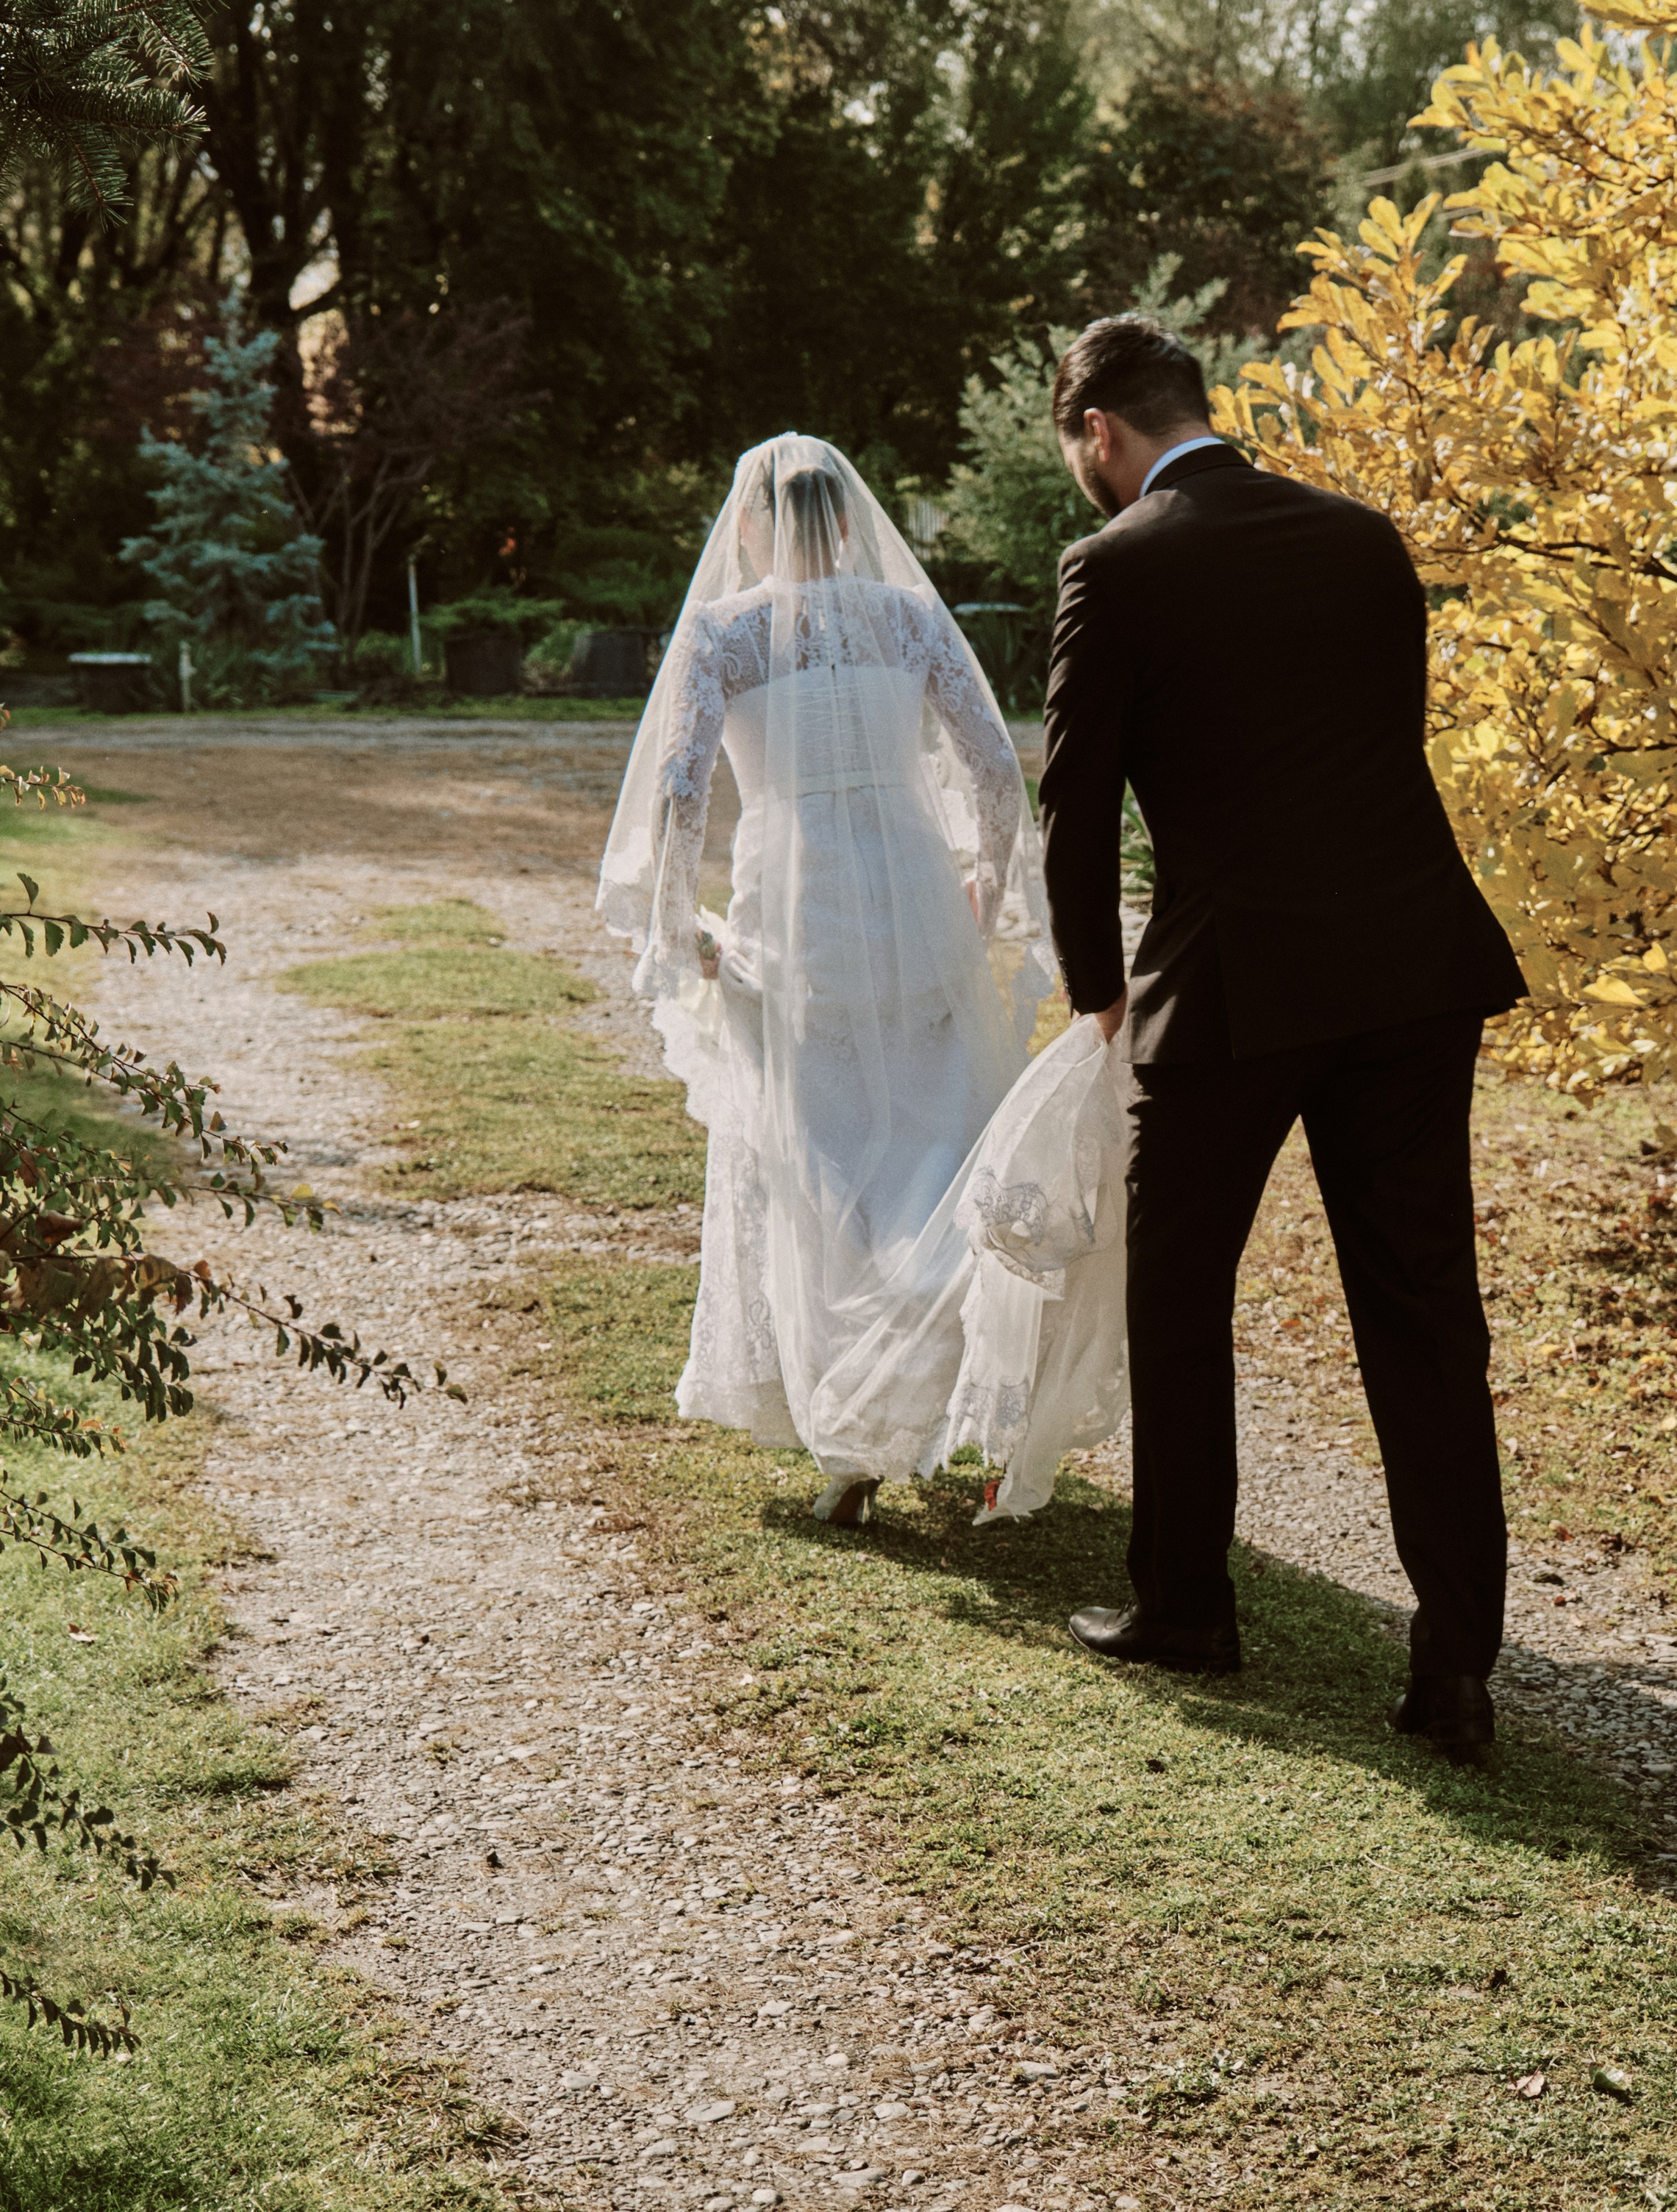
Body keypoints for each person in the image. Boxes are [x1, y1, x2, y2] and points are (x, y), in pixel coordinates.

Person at [1037, 316, 1526, 1767]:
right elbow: (1374, 751)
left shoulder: (1110, 567)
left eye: (1073, 453)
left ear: (1099, 433)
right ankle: (1452, 1671)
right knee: (1424, 1314)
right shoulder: (1362, 540)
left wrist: (1091, 988)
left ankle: (1186, 1606)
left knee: (1177, 1298)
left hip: (1233, 988)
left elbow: (1073, 805)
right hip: (1409, 971)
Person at [597, 434, 1055, 1524]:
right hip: (916, 893)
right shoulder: (909, 618)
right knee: (943, 1132)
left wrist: (677, 925)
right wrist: (987, 883)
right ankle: (960, 1396)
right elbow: (994, 763)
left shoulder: (723, 633)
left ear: (749, 527)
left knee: (814, 1150)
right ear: (849, 521)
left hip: (794, 913)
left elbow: (679, 793)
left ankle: (852, 1447)